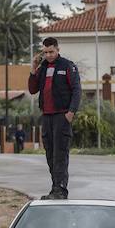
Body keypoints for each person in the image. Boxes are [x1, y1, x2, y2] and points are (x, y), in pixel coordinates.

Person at [27, 37, 82, 200]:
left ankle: (61, 189)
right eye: (46, 52)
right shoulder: (42, 67)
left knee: (60, 153)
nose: (49, 55)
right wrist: (33, 68)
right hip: (47, 116)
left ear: (58, 49)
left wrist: (71, 112)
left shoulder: (67, 66)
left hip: (62, 116)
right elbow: (32, 89)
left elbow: (77, 90)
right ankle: (55, 188)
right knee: (50, 153)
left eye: (51, 51)